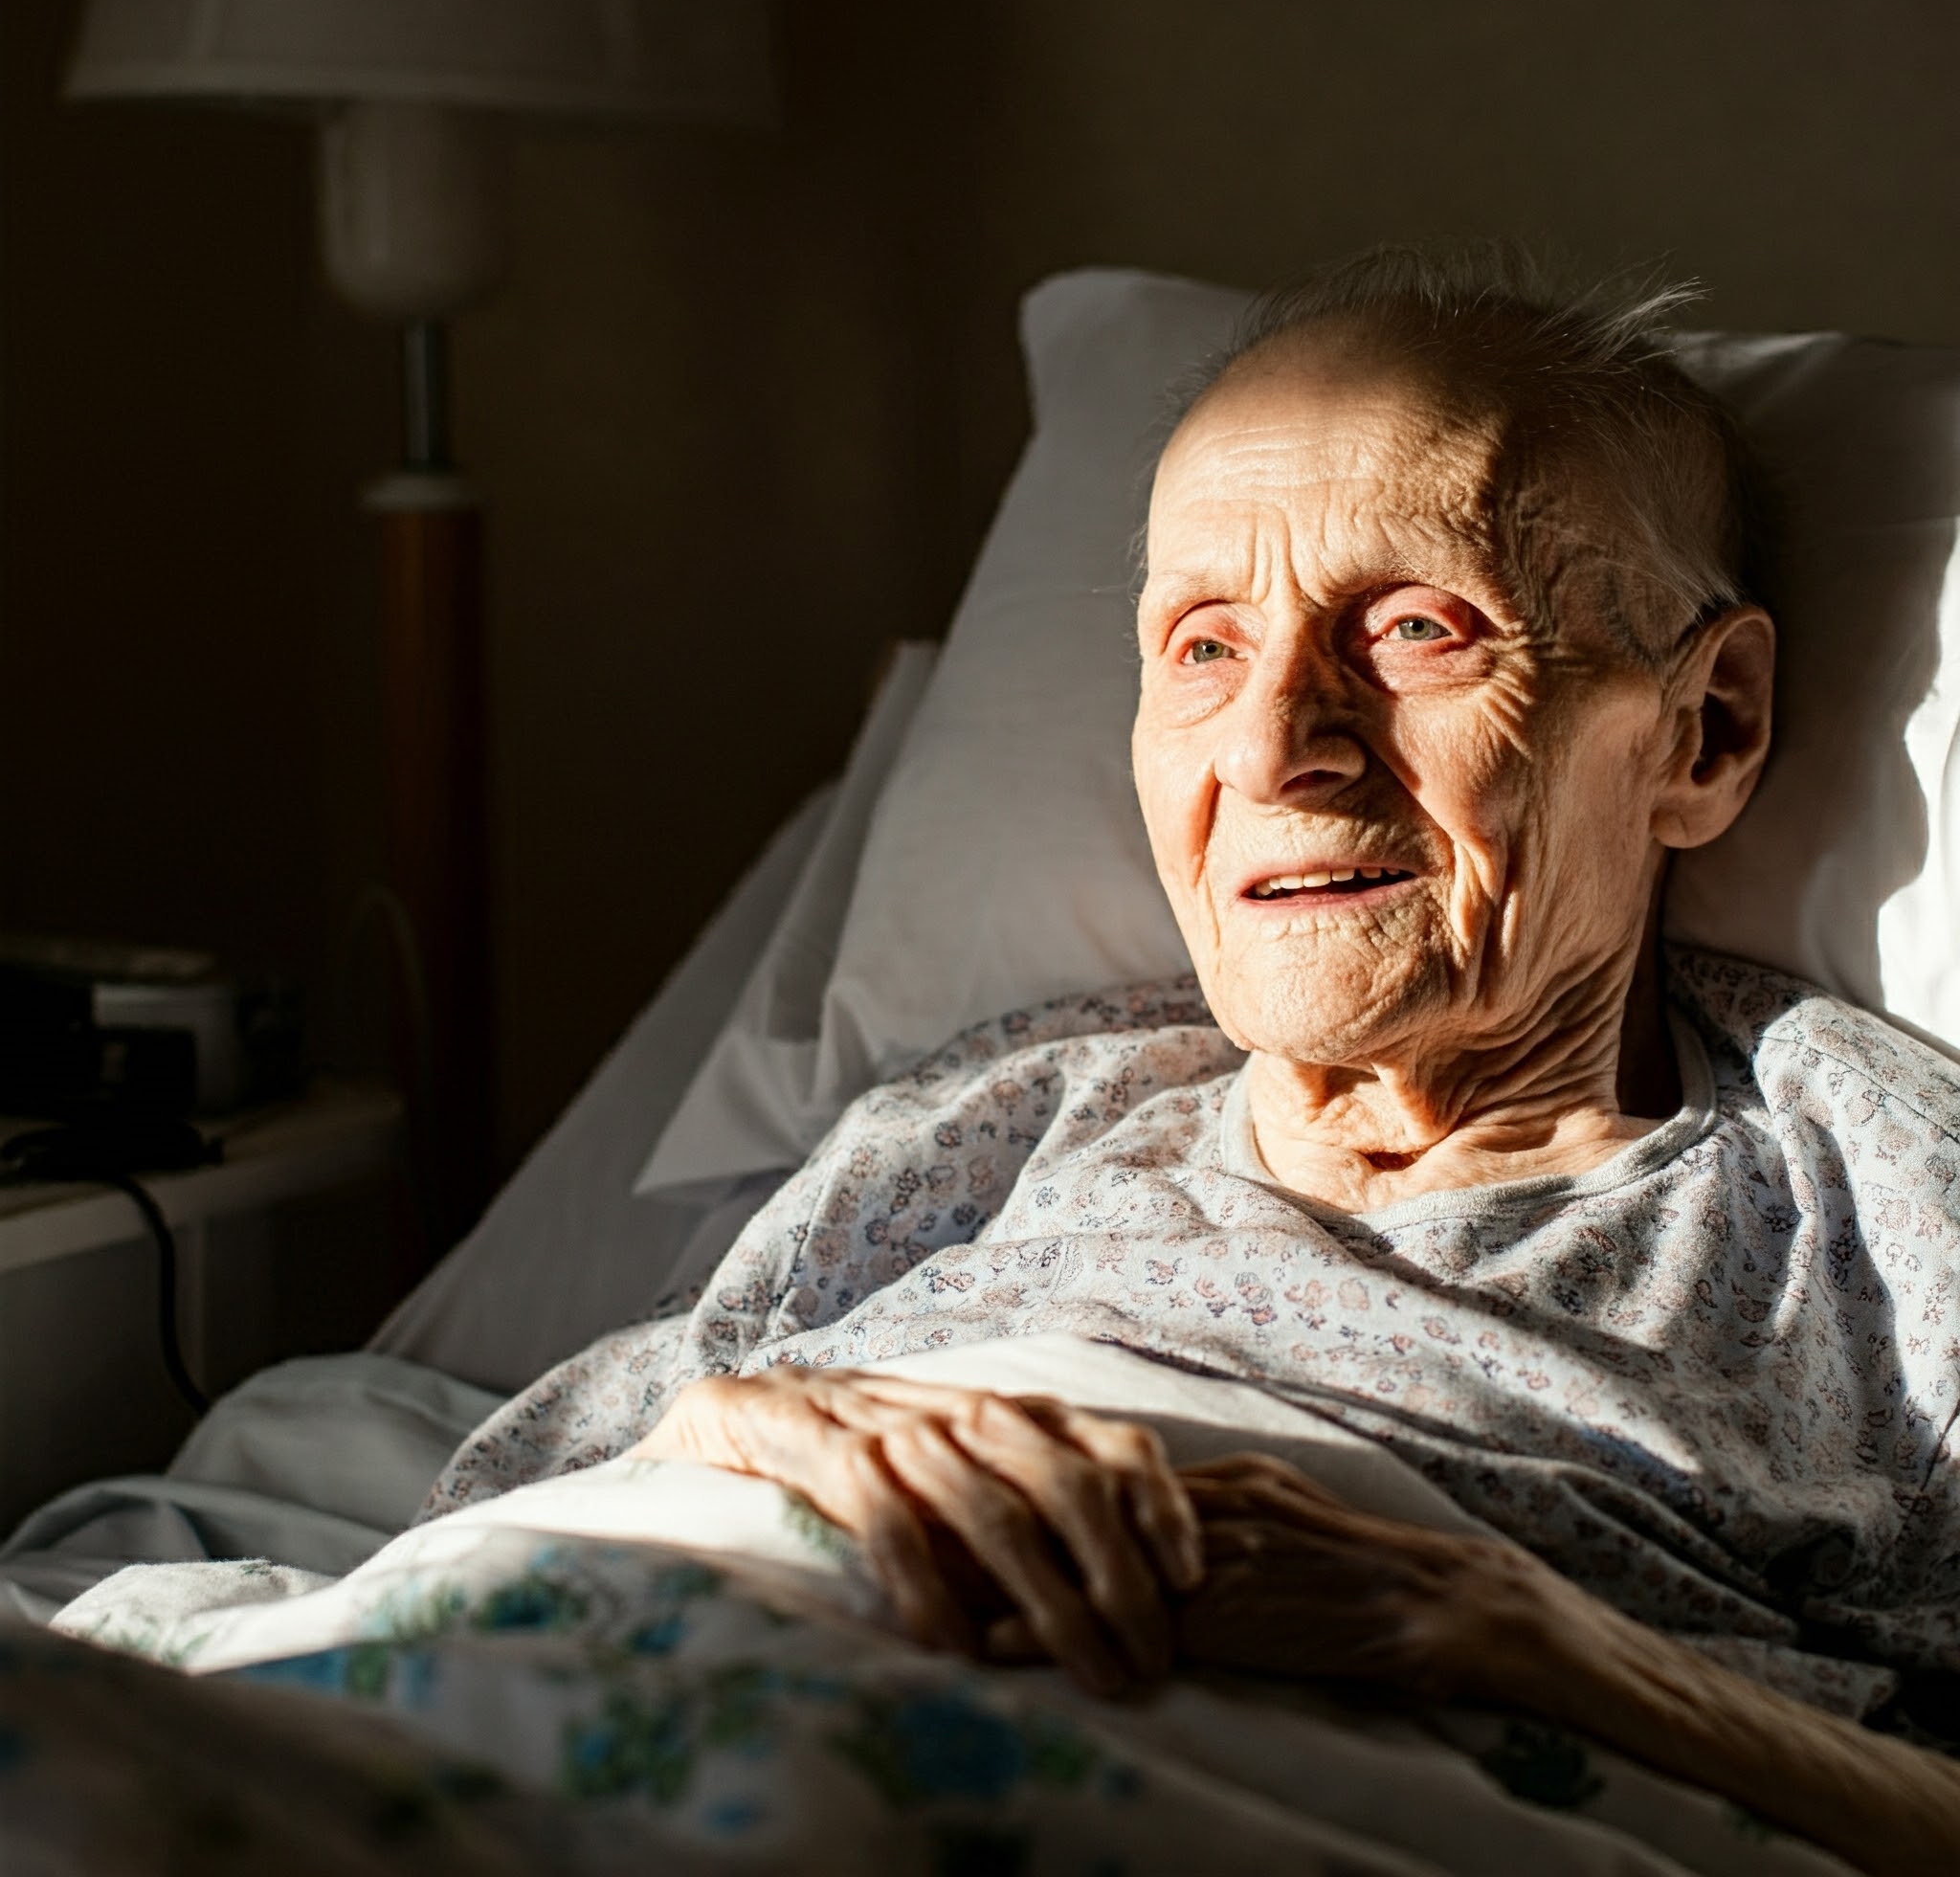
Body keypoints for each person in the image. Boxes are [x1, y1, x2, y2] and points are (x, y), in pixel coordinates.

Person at [427, 246, 1960, 1871]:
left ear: (1706, 729)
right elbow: (489, 1529)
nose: (1272, 745)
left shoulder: (1862, 1197)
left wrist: (1521, 1632)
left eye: (1419, 629)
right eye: (1204, 647)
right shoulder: (997, 1119)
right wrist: (747, 1436)